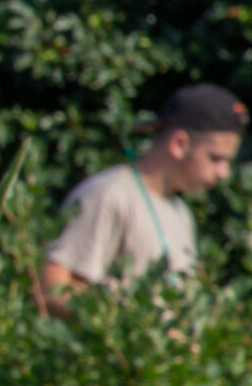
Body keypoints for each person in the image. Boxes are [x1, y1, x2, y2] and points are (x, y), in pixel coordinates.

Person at [38, 82, 244, 315]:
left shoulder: (181, 213)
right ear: (179, 144)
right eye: (216, 158)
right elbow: (53, 287)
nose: (224, 173)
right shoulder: (109, 194)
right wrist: (133, 328)